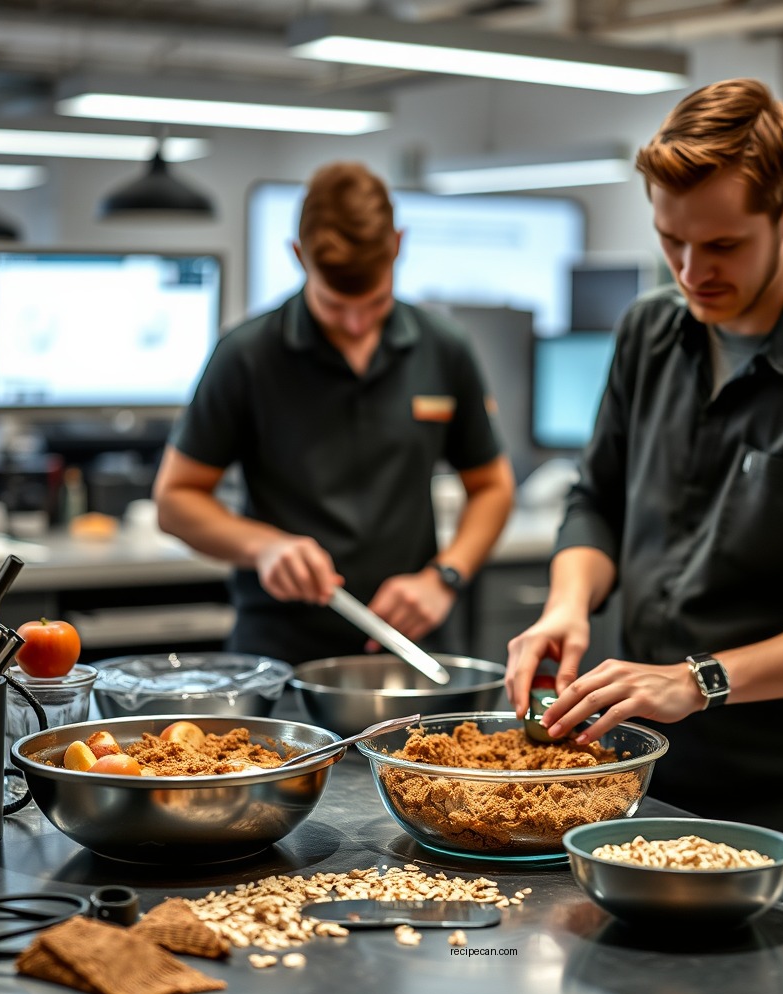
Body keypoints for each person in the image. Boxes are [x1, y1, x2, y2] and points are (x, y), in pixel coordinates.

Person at [504, 78, 783, 885]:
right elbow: (596, 498)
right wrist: (568, 604)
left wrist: (700, 681)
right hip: (639, 770)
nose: (692, 271)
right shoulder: (648, 332)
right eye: (672, 241)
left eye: (725, 245)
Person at [153, 161, 515, 665]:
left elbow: (492, 486)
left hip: (411, 650)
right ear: (298, 256)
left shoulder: (444, 348)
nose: (355, 323)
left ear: (398, 246)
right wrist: (262, 547)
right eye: (335, 304)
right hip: (281, 657)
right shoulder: (248, 355)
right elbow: (175, 499)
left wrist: (445, 575)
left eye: (373, 303)